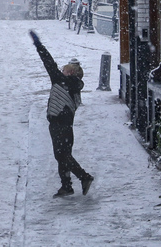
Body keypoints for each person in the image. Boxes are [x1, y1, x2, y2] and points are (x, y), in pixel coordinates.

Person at [29, 30, 94, 198]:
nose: (61, 70)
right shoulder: (74, 86)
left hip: (59, 124)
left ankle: (84, 177)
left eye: (65, 69)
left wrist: (38, 45)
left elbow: (48, 61)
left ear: (70, 72)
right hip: (65, 126)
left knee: (61, 155)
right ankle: (66, 186)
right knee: (63, 155)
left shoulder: (61, 81)